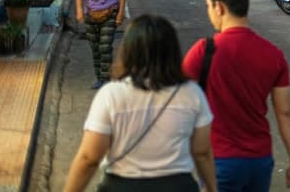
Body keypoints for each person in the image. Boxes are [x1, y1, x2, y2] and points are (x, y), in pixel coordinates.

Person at [64, 15, 216, 192]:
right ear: (172, 51)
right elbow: (202, 152)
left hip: (122, 186)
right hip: (178, 186)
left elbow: (89, 158)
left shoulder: (111, 95)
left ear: (128, 51)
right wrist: (212, 188)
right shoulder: (192, 94)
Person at [183, 0, 290, 192]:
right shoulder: (273, 54)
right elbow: (285, 113)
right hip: (259, 162)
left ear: (219, 7)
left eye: (209, 7)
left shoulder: (203, 52)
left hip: (218, 160)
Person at [75, 0, 126, 89]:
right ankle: (99, 76)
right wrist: (79, 11)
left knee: (105, 46)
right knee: (95, 48)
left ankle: (106, 78)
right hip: (91, 16)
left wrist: (120, 13)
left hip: (109, 14)